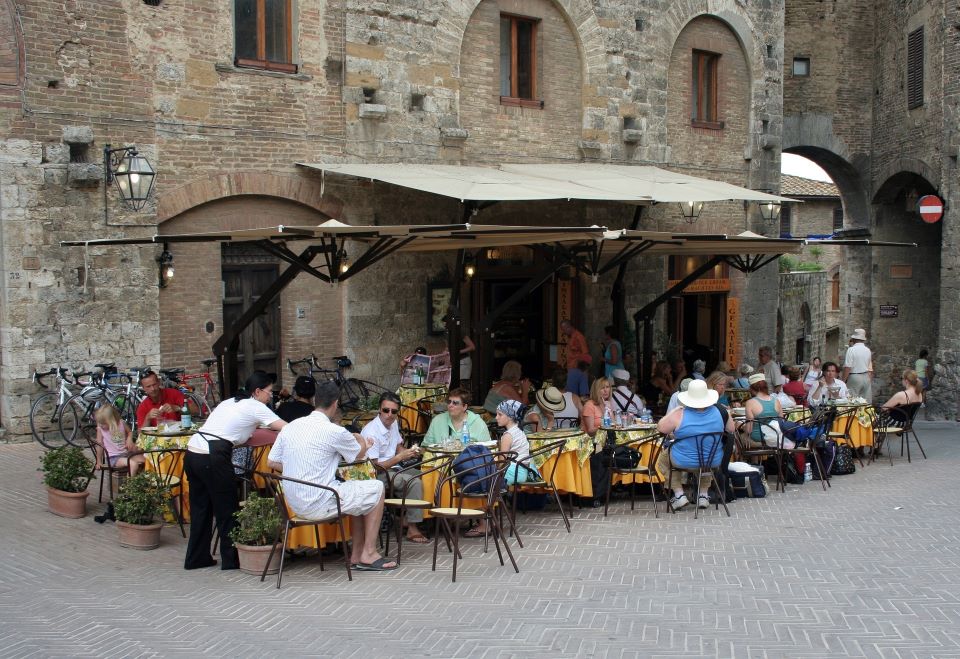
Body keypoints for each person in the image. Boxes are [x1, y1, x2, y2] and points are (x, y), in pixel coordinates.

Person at [268, 381, 397, 571]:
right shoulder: (334, 431)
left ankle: (356, 555)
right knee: (376, 487)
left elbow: (271, 462)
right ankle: (369, 553)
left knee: (358, 491)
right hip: (320, 501)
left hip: (293, 503)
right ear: (335, 404)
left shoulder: (290, 427)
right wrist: (361, 439)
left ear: (315, 401)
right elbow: (358, 455)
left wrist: (299, 471)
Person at [183, 370, 286, 571]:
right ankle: (231, 561)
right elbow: (285, 427)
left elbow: (231, 429)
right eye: (269, 392)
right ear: (257, 391)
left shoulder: (229, 402)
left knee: (201, 508)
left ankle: (196, 557)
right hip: (213, 454)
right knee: (227, 508)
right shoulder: (256, 406)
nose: (270, 396)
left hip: (193, 451)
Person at [656, 379, 734, 511]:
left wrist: (672, 411)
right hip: (712, 460)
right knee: (706, 458)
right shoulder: (721, 412)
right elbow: (731, 429)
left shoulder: (679, 413)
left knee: (664, 459)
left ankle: (679, 495)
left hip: (683, 461)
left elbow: (661, 428)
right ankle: (703, 496)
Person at [361, 392, 427, 544]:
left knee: (427, 474)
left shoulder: (393, 424)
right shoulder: (372, 431)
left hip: (395, 467)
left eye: (394, 411)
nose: (389, 415)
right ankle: (413, 527)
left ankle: (415, 518)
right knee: (413, 482)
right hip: (378, 474)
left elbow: (398, 448)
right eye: (386, 410)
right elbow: (375, 467)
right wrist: (400, 457)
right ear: (379, 409)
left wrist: (412, 452)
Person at [466, 399, 532, 538]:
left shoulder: (507, 436)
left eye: (499, 414)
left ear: (509, 416)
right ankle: (491, 519)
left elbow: (501, 463)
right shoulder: (518, 431)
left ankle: (485, 523)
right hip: (522, 470)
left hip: (514, 472)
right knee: (486, 476)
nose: (496, 417)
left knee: (481, 480)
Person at [424, 388, 491, 445]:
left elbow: (488, 450)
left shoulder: (478, 423)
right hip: (441, 459)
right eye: (449, 402)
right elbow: (426, 446)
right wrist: (417, 451)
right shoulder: (437, 420)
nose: (450, 405)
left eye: (455, 403)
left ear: (464, 407)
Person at [94, 403, 144, 476]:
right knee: (133, 464)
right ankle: (129, 486)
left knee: (147, 460)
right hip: (114, 458)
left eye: (103, 423)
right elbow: (99, 445)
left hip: (127, 454)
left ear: (112, 420)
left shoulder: (121, 423)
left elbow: (130, 432)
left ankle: (137, 480)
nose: (101, 425)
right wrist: (99, 461)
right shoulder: (100, 430)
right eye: (99, 422)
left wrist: (129, 439)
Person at [743, 373, 784, 448]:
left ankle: (746, 459)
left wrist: (741, 426)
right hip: (775, 438)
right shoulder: (776, 401)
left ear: (752, 388)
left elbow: (749, 430)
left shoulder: (750, 403)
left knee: (739, 436)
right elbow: (781, 421)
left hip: (759, 439)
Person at [560, 320, 591, 397]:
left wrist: (581, 371)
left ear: (569, 327)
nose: (563, 332)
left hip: (577, 370)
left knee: (573, 396)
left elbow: (586, 354)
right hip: (572, 369)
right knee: (572, 396)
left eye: (564, 330)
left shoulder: (579, 337)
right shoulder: (571, 337)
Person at [842, 328, 873, 400]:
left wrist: (843, 381)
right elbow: (869, 366)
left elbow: (848, 367)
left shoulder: (851, 349)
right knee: (865, 401)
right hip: (866, 376)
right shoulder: (867, 350)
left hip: (855, 376)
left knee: (851, 400)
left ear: (854, 339)